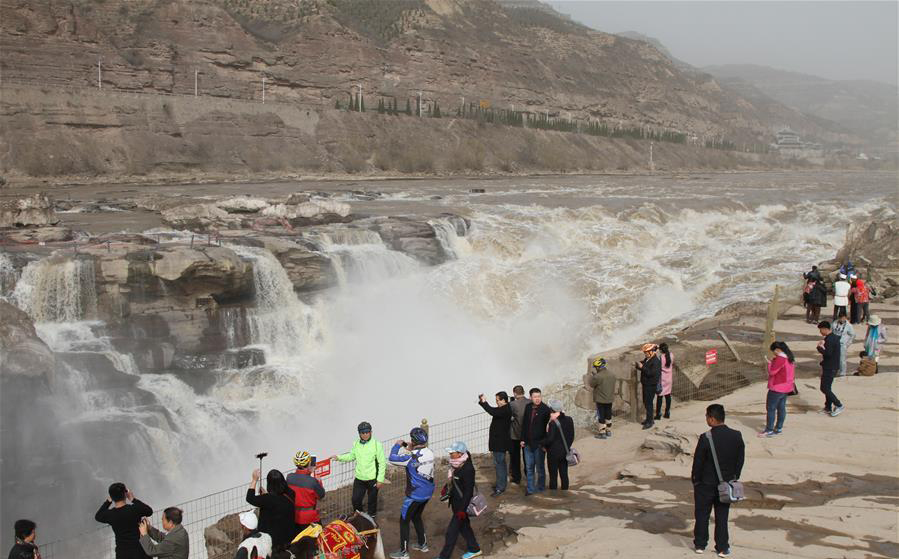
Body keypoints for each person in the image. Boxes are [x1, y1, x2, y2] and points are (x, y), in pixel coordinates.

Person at [691, 404, 745, 557]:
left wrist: (695, 480)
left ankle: (700, 544)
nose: (707, 419)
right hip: (726, 484)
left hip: (705, 484)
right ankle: (722, 547)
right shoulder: (736, 435)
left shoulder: (705, 437)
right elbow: (740, 460)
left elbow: (698, 462)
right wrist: (734, 477)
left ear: (712, 419)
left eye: (707, 417)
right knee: (722, 516)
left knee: (702, 514)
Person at [388, 427, 435, 559]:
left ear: (413, 441)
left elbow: (392, 459)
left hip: (414, 495)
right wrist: (412, 449)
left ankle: (403, 552)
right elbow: (418, 459)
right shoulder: (430, 452)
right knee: (416, 516)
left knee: (404, 521)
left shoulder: (410, 457)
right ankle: (423, 544)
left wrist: (397, 446)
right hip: (428, 492)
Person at [331, 422, 387, 517]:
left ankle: (371, 517)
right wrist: (338, 457)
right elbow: (352, 456)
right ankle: (359, 515)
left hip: (372, 478)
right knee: (355, 499)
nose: (365, 435)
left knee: (372, 500)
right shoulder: (356, 443)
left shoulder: (377, 445)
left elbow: (382, 463)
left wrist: (380, 480)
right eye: (363, 433)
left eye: (367, 432)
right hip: (359, 478)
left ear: (371, 432)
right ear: (359, 433)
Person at [437, 442, 481, 559]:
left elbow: (468, 492)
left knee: (451, 532)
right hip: (456, 504)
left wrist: (462, 510)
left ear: (460, 453)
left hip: (462, 507)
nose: (450, 454)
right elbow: (455, 483)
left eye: (452, 452)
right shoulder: (455, 465)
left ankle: (444, 556)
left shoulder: (468, 468)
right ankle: (475, 549)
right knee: (464, 527)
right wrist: (446, 489)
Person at [95, 483, 153, 559]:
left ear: (111, 497)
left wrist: (108, 501)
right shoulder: (134, 509)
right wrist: (133, 499)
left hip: (122, 553)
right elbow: (149, 511)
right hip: (140, 550)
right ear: (125, 494)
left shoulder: (110, 515)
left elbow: (98, 516)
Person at [246, 469, 297, 552]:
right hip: (288, 538)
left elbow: (250, 498)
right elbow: (278, 502)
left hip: (273, 543)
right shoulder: (291, 493)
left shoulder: (268, 500)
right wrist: (266, 496)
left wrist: (254, 480)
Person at [477, 391, 512, 496]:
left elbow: (492, 411)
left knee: (499, 465)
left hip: (499, 443)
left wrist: (484, 402)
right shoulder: (504, 409)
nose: (496, 402)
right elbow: (493, 410)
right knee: (500, 464)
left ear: (503, 400)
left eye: (497, 400)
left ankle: (500, 487)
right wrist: (483, 402)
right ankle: (501, 484)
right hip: (498, 443)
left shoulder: (505, 410)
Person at [285, 451, 325, 538]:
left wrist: (309, 472)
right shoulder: (312, 481)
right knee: (319, 539)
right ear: (308, 463)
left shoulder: (289, 477)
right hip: (310, 518)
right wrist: (319, 481)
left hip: (294, 515)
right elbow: (321, 495)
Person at [519, 388, 551, 496]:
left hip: (539, 444)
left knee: (540, 467)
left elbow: (548, 429)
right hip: (527, 443)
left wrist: (545, 444)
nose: (537, 399)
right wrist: (522, 439)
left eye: (539, 396)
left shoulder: (546, 409)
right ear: (530, 397)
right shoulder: (528, 407)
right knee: (529, 467)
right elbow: (525, 424)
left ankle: (541, 487)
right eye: (535, 397)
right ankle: (530, 489)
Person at [760, 342, 796, 437]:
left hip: (777, 387)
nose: (774, 353)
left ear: (777, 350)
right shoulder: (789, 357)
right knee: (781, 408)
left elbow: (772, 372)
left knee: (771, 408)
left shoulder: (780, 359)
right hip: (786, 387)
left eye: (774, 351)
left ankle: (769, 430)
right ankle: (778, 428)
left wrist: (769, 363)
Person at [542, 400, 575, 491]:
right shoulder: (569, 419)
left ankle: (554, 494)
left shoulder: (553, 423)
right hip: (565, 451)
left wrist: (541, 442)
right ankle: (565, 491)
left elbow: (550, 439)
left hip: (553, 453)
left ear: (552, 410)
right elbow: (572, 436)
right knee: (564, 474)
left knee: (553, 475)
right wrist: (567, 446)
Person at [817, 321, 844, 417]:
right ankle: (827, 407)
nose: (820, 332)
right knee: (827, 387)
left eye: (820, 330)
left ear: (825, 329)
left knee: (824, 388)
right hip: (830, 366)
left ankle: (838, 404)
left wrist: (819, 348)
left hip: (830, 367)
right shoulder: (832, 338)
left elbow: (828, 353)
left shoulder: (830, 339)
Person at [587, 357, 616, 439]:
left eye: (596, 367)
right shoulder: (612, 374)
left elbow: (591, 384)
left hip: (600, 400)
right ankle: (608, 431)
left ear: (598, 367)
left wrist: (594, 376)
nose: (596, 369)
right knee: (608, 415)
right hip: (609, 398)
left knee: (601, 416)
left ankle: (602, 433)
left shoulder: (597, 376)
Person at [636, 343, 662, 429]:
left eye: (647, 352)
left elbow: (651, 373)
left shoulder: (656, 361)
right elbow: (644, 366)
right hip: (646, 384)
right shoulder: (648, 359)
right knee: (646, 403)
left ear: (652, 352)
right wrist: (639, 366)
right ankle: (649, 419)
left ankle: (650, 421)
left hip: (650, 385)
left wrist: (642, 367)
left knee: (649, 403)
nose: (645, 354)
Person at [507, 385, 528, 486]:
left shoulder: (512, 404)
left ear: (515, 393)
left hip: (515, 435)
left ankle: (516, 478)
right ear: (524, 392)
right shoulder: (530, 402)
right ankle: (529, 476)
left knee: (515, 458)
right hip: (527, 435)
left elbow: (508, 415)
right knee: (527, 457)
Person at [832, 310, 855, 377]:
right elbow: (832, 331)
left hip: (842, 344)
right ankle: (834, 371)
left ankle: (842, 373)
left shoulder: (849, 325)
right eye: (841, 318)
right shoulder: (834, 323)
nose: (842, 319)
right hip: (834, 343)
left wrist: (848, 343)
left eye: (844, 318)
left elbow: (853, 335)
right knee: (834, 358)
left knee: (842, 359)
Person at [655, 343, 674, 420]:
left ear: (661, 350)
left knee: (659, 398)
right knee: (668, 396)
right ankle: (667, 413)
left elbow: (658, 367)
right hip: (669, 379)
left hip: (662, 380)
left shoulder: (661, 357)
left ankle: (658, 414)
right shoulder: (671, 355)